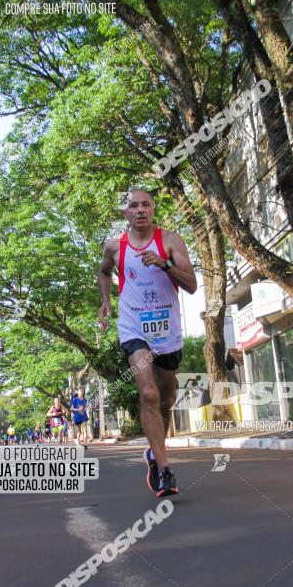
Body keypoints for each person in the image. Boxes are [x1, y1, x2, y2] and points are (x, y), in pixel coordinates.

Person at [98, 187, 197, 497]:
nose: (140, 209)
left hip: (167, 330)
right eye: (133, 205)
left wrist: (164, 264)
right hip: (133, 328)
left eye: (145, 204)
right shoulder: (115, 246)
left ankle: (155, 453)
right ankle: (165, 469)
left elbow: (192, 285)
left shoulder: (170, 241)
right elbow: (103, 273)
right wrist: (105, 302)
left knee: (166, 400)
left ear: (153, 210)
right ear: (126, 213)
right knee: (149, 393)